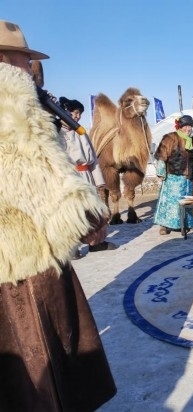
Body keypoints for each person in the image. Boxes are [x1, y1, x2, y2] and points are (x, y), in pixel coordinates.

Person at [0, 20, 116, 410]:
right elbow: (37, 177)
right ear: (4, 59)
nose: (30, 67)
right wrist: (88, 219)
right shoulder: (11, 100)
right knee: (40, 371)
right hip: (25, 264)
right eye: (24, 58)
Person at [58, 96, 117, 258]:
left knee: (92, 211)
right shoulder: (56, 132)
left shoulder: (81, 132)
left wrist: (99, 181)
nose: (77, 116)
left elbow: (93, 159)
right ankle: (72, 248)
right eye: (75, 113)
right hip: (69, 178)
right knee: (72, 213)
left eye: (79, 114)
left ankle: (96, 243)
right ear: (65, 112)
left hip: (86, 176)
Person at [154, 114, 193, 235]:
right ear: (180, 127)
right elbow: (161, 157)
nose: (188, 129)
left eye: (190, 126)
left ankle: (186, 224)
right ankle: (165, 226)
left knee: (187, 202)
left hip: (187, 180)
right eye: (185, 126)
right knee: (171, 203)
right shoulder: (170, 138)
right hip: (173, 178)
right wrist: (161, 173)